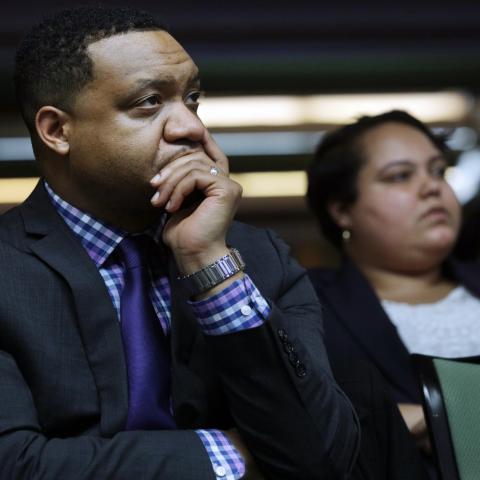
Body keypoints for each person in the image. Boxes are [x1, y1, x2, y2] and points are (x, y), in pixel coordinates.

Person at [0, 5, 361, 480]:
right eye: (149, 102)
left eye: (191, 99)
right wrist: (225, 457)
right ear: (57, 130)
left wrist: (208, 261)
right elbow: (14, 463)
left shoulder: (258, 258)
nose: (191, 127)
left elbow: (324, 456)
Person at [306, 110, 480, 474]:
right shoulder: (309, 306)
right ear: (342, 210)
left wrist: (429, 420)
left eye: (438, 171)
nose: (432, 187)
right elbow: (299, 416)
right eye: (400, 176)